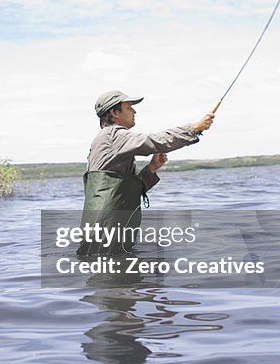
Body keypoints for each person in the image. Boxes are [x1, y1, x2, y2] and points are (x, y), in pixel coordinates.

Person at [78, 90, 216, 255]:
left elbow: (120, 192)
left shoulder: (106, 139)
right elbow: (155, 141)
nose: (134, 111)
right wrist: (193, 128)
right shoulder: (113, 136)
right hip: (107, 234)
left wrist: (151, 169)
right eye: (129, 107)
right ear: (115, 113)